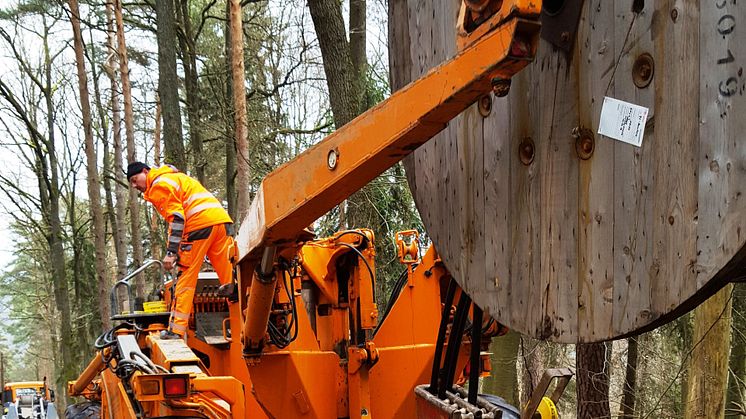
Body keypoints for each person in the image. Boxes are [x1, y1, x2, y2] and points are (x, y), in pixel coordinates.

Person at [127, 161, 235, 339]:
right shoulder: (176, 178)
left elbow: (177, 218)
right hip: (221, 223)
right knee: (231, 280)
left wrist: (171, 253)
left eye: (134, 179)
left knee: (185, 279)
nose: (134, 185)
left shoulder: (159, 185)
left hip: (198, 226)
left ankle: (176, 330)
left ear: (146, 171)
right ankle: (241, 324)